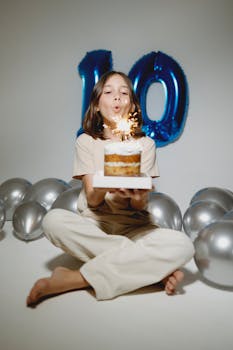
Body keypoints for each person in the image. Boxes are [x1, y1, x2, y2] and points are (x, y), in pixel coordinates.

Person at [26, 71, 194, 306]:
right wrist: (107, 182)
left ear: (132, 105)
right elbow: (93, 201)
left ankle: (77, 278)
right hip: (94, 225)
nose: (117, 97)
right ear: (96, 105)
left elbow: (140, 204)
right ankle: (150, 268)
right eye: (109, 92)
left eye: (124, 93)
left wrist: (138, 195)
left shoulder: (145, 145)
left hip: (135, 228)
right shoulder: (86, 141)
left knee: (183, 245)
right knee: (52, 221)